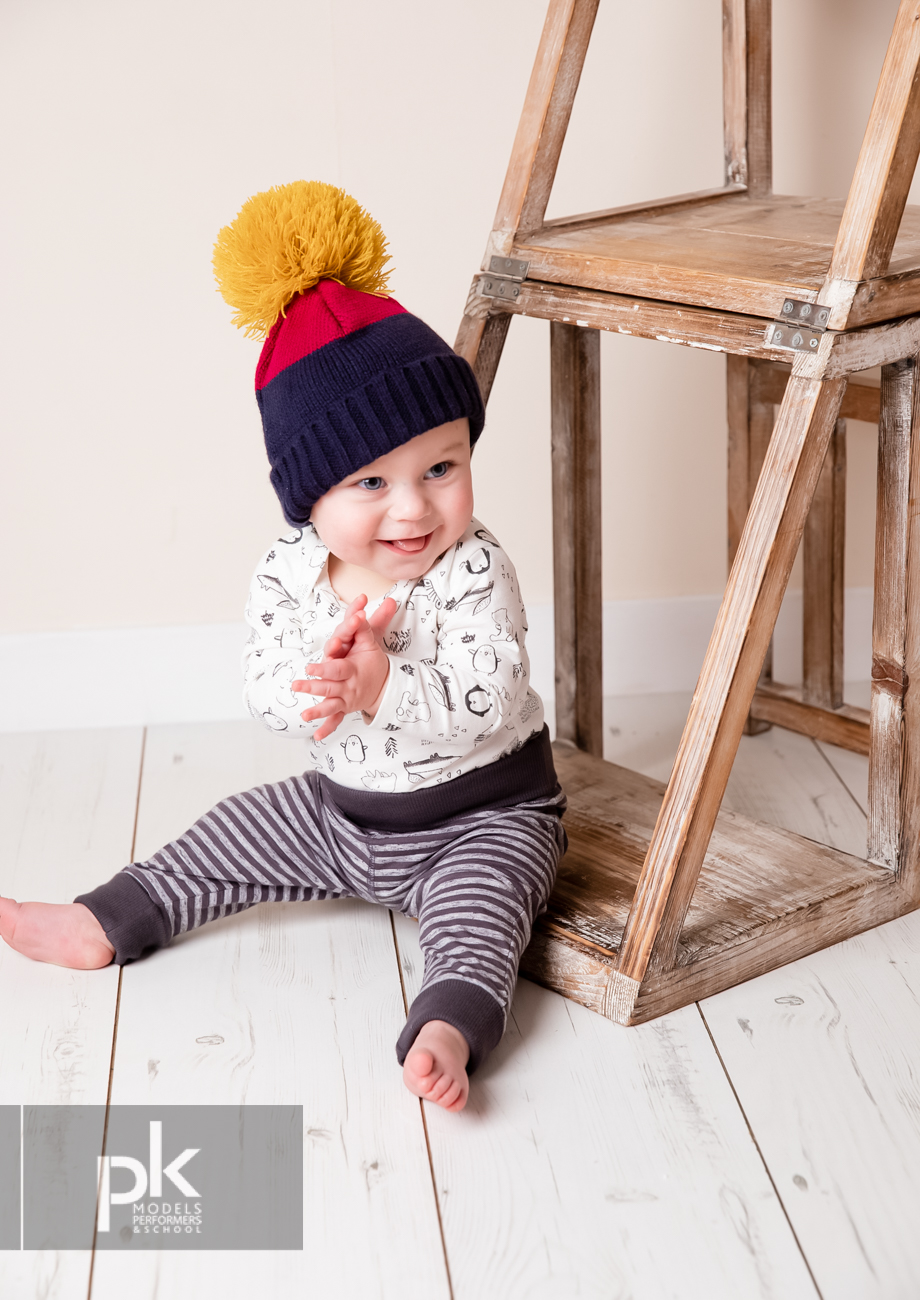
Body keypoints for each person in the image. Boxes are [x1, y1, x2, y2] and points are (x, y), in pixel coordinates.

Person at [0, 181, 566, 1113]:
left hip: (484, 816)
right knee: (230, 833)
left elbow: (492, 694)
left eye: (442, 466)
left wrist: (383, 684)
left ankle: (448, 1024)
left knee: (486, 908)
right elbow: (265, 687)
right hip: (344, 816)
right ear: (310, 499)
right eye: (371, 483)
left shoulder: (473, 567)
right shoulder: (290, 572)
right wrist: (324, 683)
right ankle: (106, 918)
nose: (414, 506)